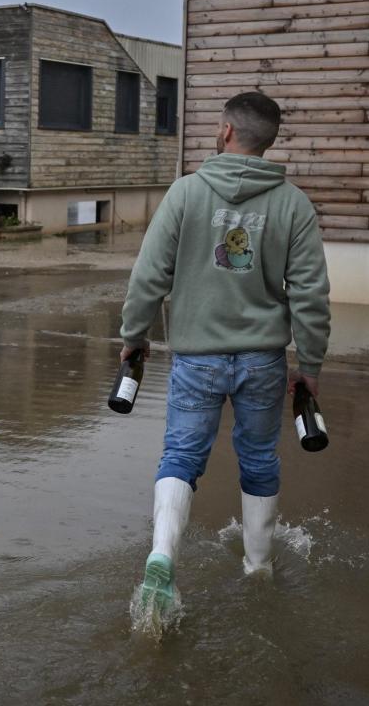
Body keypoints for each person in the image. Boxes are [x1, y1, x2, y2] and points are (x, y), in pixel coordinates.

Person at [120, 91, 331, 615]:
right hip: (263, 360)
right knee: (258, 459)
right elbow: (310, 293)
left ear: (226, 131)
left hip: (197, 358)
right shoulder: (293, 204)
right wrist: (310, 366)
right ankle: (258, 569)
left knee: (181, 456)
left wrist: (133, 335)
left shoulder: (185, 194)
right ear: (269, 139)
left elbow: (149, 276)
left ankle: (162, 559)